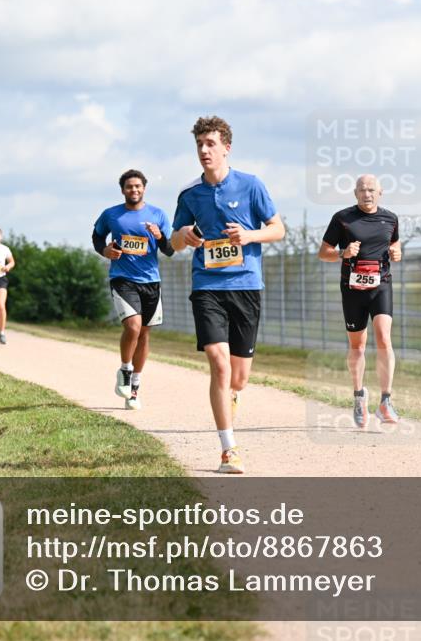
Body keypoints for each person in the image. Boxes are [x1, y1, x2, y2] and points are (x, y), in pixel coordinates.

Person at [170, 115, 285, 474]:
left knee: (238, 378)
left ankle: (232, 396)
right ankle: (228, 450)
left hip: (246, 287)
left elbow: (278, 229)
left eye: (210, 144)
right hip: (207, 287)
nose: (204, 151)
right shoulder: (190, 195)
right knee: (218, 364)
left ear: (226, 148)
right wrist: (185, 234)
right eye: (199, 145)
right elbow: (172, 244)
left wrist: (249, 236)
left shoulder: (251, 186)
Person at [318, 175, 402, 428]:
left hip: (381, 285)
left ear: (380, 192)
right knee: (358, 346)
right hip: (353, 289)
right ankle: (359, 396)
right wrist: (343, 253)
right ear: (355, 193)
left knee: (384, 337)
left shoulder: (391, 218)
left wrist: (397, 251)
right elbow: (323, 253)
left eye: (372, 190)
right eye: (362, 190)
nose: (367, 194)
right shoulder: (343, 218)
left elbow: (394, 243)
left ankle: (386, 401)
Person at [92, 168, 173, 410]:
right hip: (122, 278)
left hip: (150, 281)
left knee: (144, 334)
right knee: (133, 326)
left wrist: (159, 237)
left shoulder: (158, 214)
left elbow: (169, 249)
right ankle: (125, 369)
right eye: (129, 187)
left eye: (138, 186)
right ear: (123, 190)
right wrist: (105, 251)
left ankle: (135, 388)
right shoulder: (111, 215)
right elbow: (97, 238)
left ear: (144, 188)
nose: (134, 190)